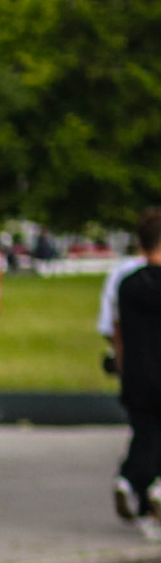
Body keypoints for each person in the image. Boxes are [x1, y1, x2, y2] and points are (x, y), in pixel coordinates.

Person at [109, 207, 161, 541]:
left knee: (145, 432)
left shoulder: (127, 284)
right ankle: (151, 486)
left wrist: (121, 363)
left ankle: (134, 486)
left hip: (138, 371)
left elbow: (116, 330)